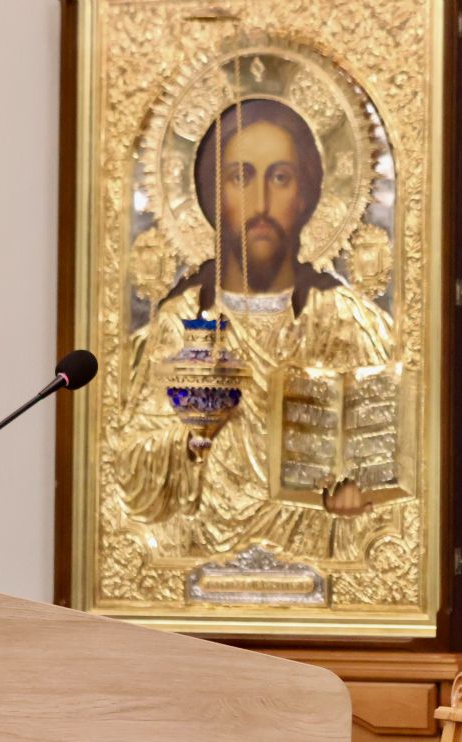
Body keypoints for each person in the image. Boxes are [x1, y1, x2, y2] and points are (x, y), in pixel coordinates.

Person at [120, 99, 398, 560]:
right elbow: (129, 469)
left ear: (307, 195)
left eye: (281, 177)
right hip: (201, 558)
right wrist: (191, 437)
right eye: (240, 177)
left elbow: (391, 463)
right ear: (213, 194)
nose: (262, 203)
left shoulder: (347, 321)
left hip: (315, 561)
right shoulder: (179, 322)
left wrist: (359, 489)